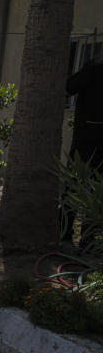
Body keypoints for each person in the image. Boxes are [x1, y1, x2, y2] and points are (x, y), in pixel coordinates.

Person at [62, 57, 103, 248]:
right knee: (95, 191)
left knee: (74, 186)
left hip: (86, 140)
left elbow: (68, 87)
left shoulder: (94, 68)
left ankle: (65, 232)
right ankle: (88, 240)